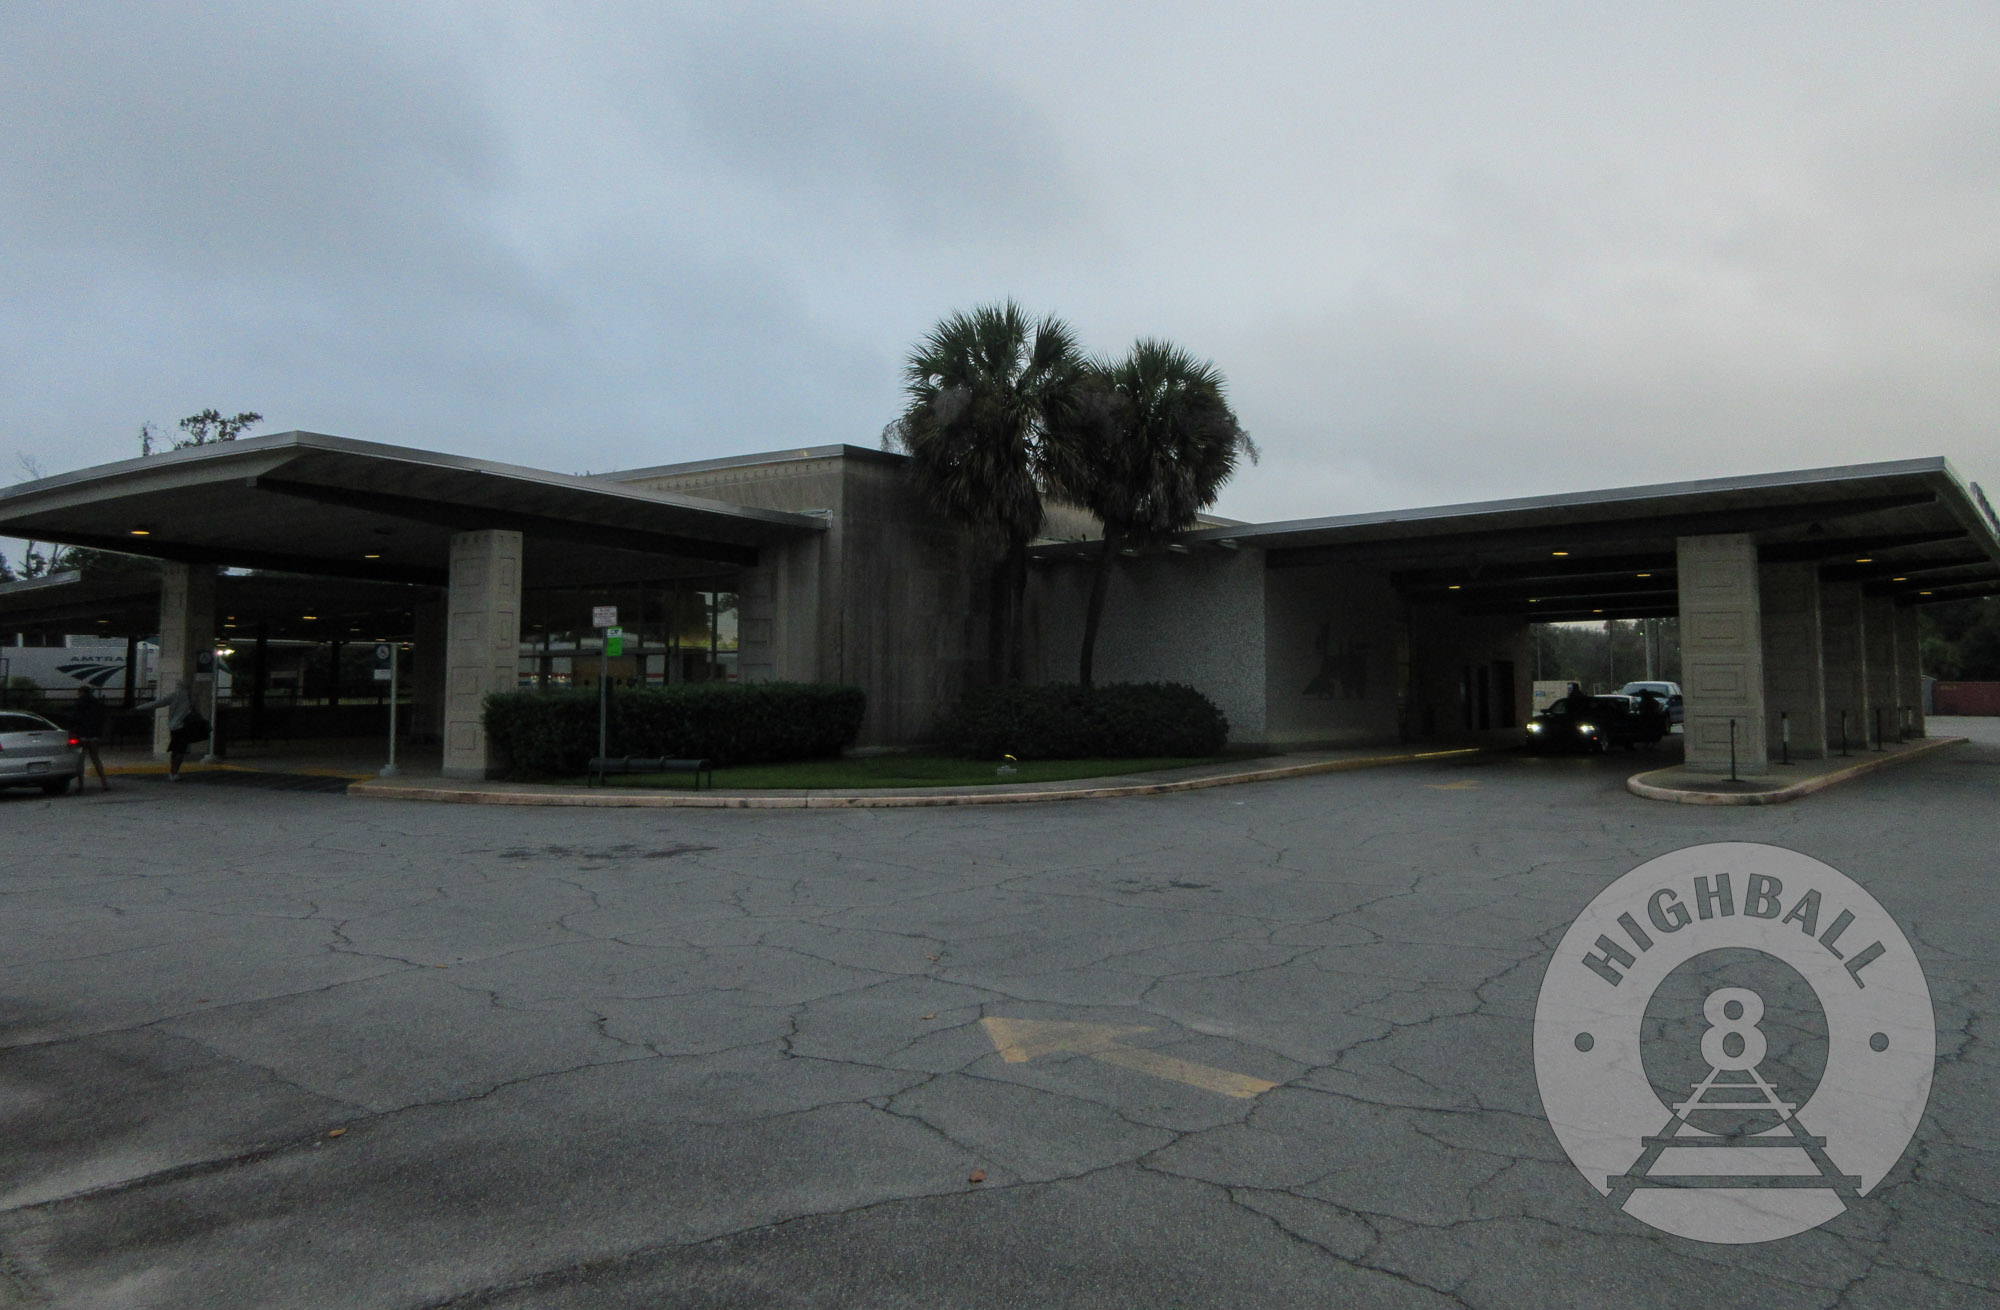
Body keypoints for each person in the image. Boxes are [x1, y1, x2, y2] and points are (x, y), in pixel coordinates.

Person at [134, 679, 207, 780]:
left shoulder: (173, 696)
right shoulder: (191, 698)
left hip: (174, 727)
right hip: (185, 726)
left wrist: (139, 707)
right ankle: (175, 772)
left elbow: (157, 703)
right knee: (181, 750)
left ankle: (173, 771)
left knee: (175, 749)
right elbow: (196, 710)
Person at [69, 685, 110, 791]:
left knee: (80, 761)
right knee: (96, 759)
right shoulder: (97, 703)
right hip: (94, 735)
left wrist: (74, 732)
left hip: (82, 735)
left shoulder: (78, 703)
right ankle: (104, 783)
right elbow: (102, 718)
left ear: (81, 692)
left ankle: (81, 785)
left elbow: (74, 718)